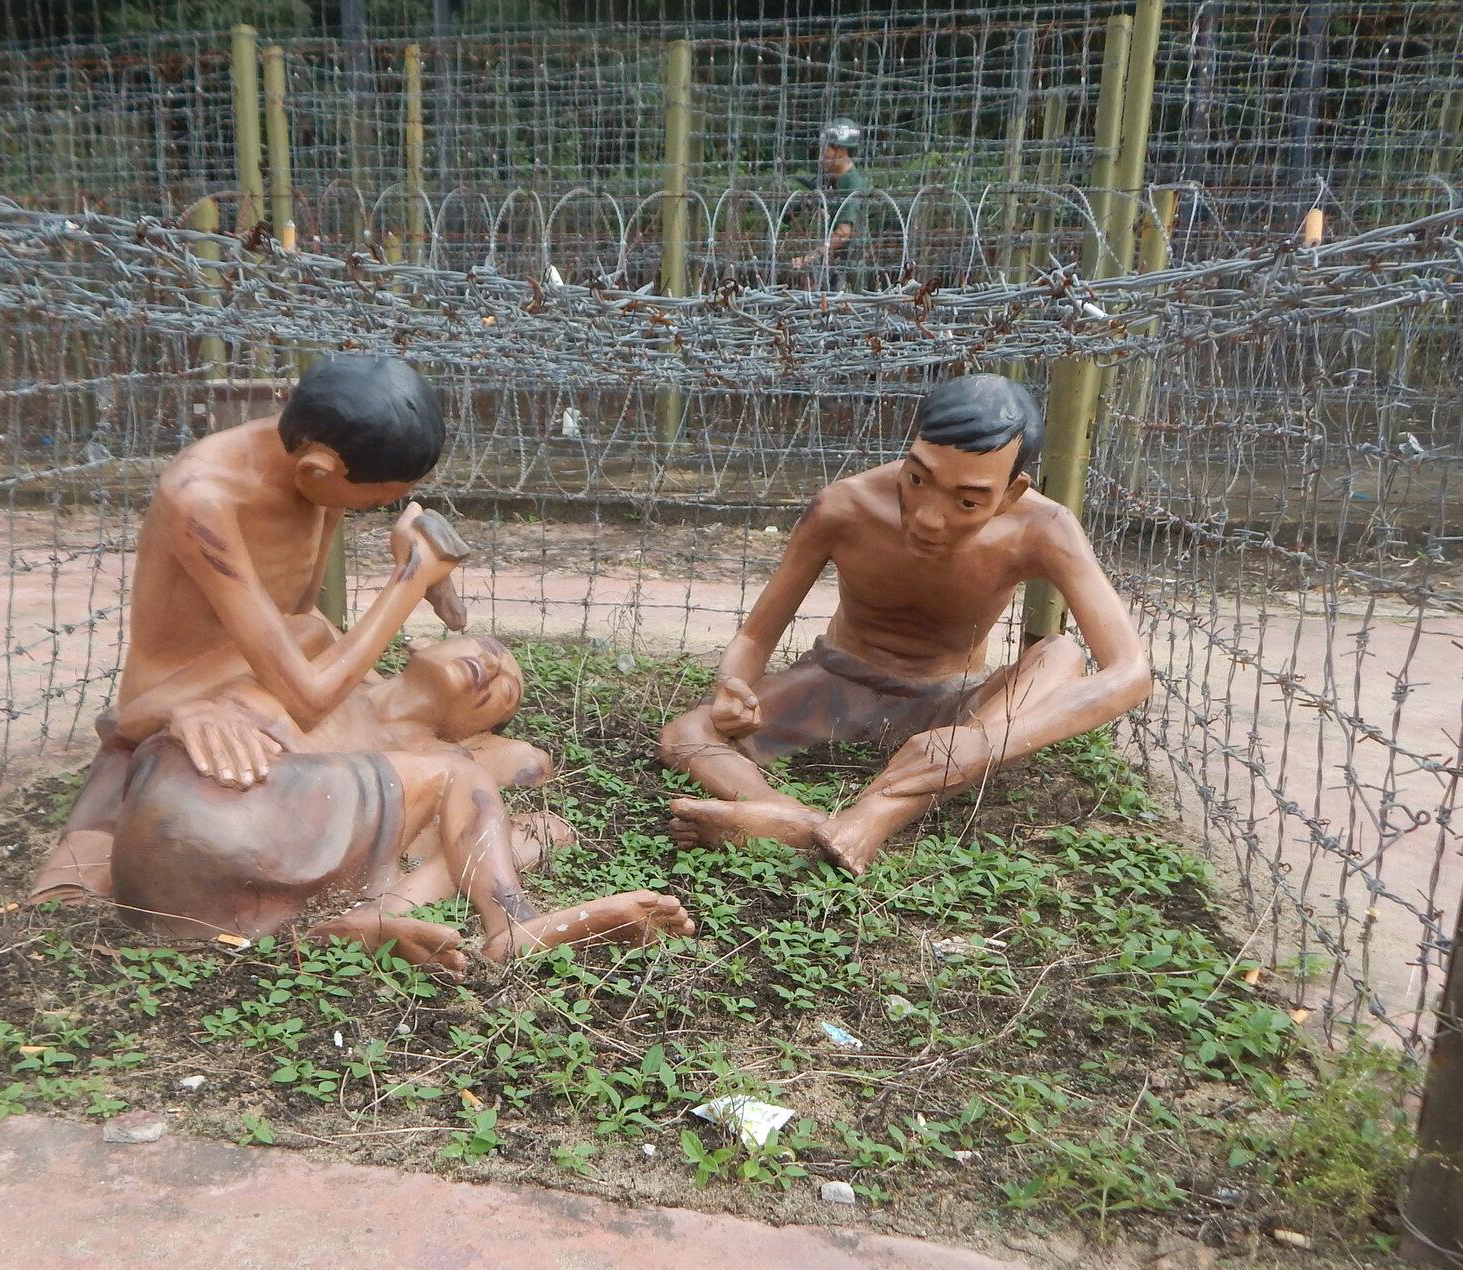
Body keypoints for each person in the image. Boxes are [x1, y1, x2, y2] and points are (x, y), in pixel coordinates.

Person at [659, 373, 1152, 876]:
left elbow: (1130, 672)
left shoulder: (1043, 529)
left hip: (957, 705)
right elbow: (755, 634)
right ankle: (785, 816)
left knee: (1061, 654)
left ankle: (879, 812)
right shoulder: (845, 506)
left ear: (1010, 492)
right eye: (917, 479)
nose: (927, 518)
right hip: (837, 684)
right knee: (689, 731)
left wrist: (985, 741)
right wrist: (731, 684)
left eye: (967, 501)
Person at [30, 352, 463, 903]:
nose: (390, 505)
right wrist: (407, 581)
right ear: (319, 469)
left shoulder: (317, 471)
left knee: (323, 642)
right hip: (180, 687)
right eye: (379, 498)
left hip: (275, 662)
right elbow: (306, 698)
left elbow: (301, 620)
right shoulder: (204, 496)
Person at [107, 627, 695, 974]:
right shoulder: (310, 648)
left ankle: (358, 922)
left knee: (544, 828)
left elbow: (504, 788)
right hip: (178, 819)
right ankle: (516, 929)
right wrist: (186, 708)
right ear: (419, 642)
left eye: (505, 691)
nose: (493, 668)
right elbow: (123, 718)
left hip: (219, 899)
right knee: (458, 785)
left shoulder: (435, 764)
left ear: (477, 731)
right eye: (490, 648)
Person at [790, 120, 876, 289]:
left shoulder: (852, 185)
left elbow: (843, 234)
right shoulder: (837, 182)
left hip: (850, 269)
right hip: (837, 266)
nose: (821, 158)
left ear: (840, 150)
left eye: (825, 151)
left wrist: (808, 257)